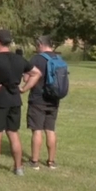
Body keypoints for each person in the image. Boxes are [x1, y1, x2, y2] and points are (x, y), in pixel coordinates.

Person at [0, 30, 41, 176]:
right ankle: (18, 167)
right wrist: (24, 89)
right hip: (15, 99)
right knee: (13, 134)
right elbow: (37, 73)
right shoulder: (19, 59)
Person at [27, 36, 61, 170]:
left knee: (37, 130)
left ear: (41, 44)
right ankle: (51, 161)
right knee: (50, 130)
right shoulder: (58, 59)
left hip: (38, 98)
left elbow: (26, 77)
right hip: (54, 99)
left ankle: (34, 161)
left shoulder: (36, 59)